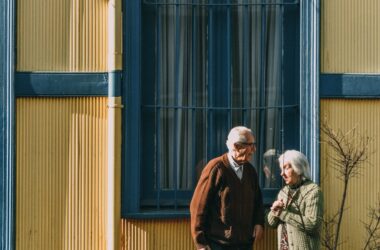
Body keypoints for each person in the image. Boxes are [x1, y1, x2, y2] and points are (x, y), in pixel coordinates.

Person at [190, 126, 265, 250]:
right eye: (250, 145)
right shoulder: (216, 168)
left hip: (245, 244)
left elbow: (257, 201)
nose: (254, 149)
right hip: (219, 244)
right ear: (236, 146)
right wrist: (201, 243)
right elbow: (198, 207)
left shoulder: (250, 171)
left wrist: (259, 223)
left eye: (254, 145)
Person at [267, 150, 323, 250]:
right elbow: (271, 223)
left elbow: (313, 225)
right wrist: (274, 211)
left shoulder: (313, 191)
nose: (281, 173)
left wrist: (283, 214)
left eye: (286, 168)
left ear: (298, 168)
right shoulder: (283, 192)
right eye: (281, 169)